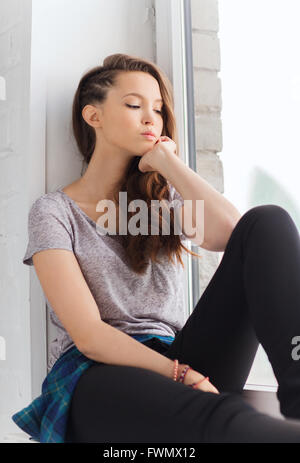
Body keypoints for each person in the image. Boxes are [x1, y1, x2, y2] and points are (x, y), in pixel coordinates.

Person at [11, 53, 300, 443]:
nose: (151, 118)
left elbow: (237, 234)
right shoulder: (54, 212)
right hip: (98, 373)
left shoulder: (162, 200)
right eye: (134, 105)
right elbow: (90, 335)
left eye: (159, 110)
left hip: (177, 353)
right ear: (93, 115)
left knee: (269, 220)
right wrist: (180, 374)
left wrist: (169, 163)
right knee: (223, 421)